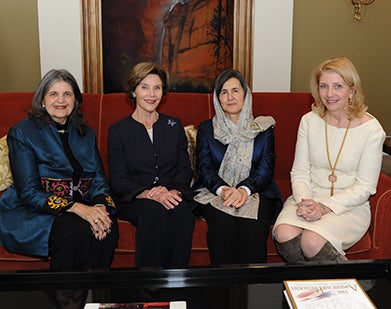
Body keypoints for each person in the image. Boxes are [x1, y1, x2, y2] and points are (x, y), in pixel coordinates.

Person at [0, 69, 119, 271]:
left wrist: (100, 208)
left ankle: (95, 295)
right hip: (34, 209)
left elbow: (99, 179)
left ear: (75, 100)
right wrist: (79, 208)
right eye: (53, 94)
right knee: (73, 229)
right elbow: (29, 192)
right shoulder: (22, 133)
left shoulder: (86, 133)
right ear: (42, 99)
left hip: (80, 205)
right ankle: (66, 297)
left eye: (67, 94)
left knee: (108, 227)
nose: (61, 100)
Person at [273, 56, 386, 263]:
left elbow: (365, 187)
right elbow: (299, 171)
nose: (329, 94)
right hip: (308, 197)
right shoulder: (309, 121)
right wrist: (305, 201)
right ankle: (307, 289)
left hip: (349, 206)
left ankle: (350, 280)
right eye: (323, 86)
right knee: (283, 233)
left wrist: (324, 207)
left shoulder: (371, 130)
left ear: (352, 90)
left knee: (312, 241)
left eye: (338, 86)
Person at [108, 62, 195, 268]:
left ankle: (177, 283)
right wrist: (149, 193)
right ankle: (149, 287)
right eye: (144, 87)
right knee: (153, 212)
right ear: (133, 91)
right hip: (134, 198)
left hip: (171, 193)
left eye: (157, 88)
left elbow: (184, 169)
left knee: (182, 211)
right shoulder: (118, 130)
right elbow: (119, 179)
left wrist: (171, 191)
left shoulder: (174, 126)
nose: (151, 94)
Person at [193, 69, 283, 265]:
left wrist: (244, 190)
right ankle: (224, 289)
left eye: (235, 90)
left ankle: (254, 290)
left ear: (245, 94)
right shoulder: (207, 129)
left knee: (252, 227)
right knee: (222, 225)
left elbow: (265, 169)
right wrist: (224, 190)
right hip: (216, 192)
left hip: (256, 191)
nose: (230, 97)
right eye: (223, 92)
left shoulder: (263, 128)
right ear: (217, 99)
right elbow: (205, 167)